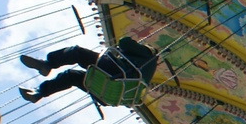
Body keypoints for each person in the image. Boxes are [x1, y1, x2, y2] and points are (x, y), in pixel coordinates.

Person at [18, 38, 158, 102]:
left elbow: (124, 42)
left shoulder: (149, 54)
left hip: (115, 72)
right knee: (71, 76)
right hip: (109, 95)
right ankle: (39, 93)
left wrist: (140, 46)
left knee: (78, 53)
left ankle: (47, 64)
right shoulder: (147, 72)